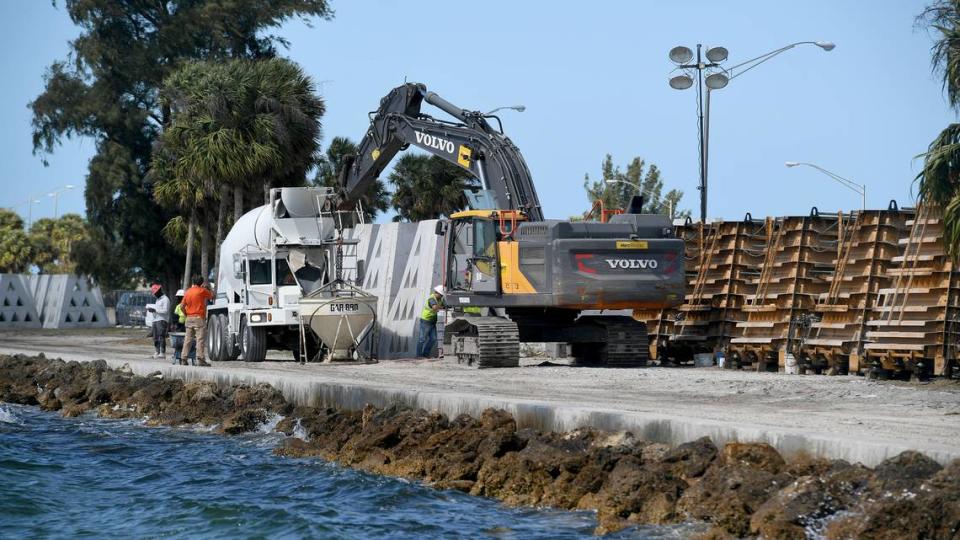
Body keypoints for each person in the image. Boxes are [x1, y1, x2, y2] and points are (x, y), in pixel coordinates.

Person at [181, 275, 214, 367]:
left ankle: (184, 358)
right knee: (200, 339)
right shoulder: (202, 291)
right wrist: (209, 288)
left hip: (189, 318)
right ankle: (200, 359)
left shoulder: (188, 292)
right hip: (199, 318)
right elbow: (212, 296)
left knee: (188, 339)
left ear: (193, 282)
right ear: (201, 282)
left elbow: (182, 306)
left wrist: (186, 314)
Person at [416, 285, 445, 358]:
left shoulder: (440, 299)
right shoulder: (431, 299)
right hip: (426, 321)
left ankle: (425, 354)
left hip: (432, 322)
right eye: (441, 295)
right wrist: (442, 307)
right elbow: (435, 307)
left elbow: (445, 306)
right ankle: (418, 355)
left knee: (433, 339)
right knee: (422, 339)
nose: (441, 296)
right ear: (437, 293)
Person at [170, 289, 196, 366]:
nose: (179, 299)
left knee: (186, 342)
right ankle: (182, 358)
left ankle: (184, 358)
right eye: (178, 297)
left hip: (187, 326)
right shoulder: (178, 306)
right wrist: (175, 324)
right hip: (180, 326)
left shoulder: (187, 306)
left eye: (180, 297)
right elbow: (175, 316)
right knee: (183, 342)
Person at [146, 284, 170, 360]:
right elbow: (157, 310)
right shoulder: (158, 300)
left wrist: (155, 310)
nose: (155, 295)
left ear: (159, 291)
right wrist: (152, 311)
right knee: (155, 337)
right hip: (156, 320)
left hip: (162, 320)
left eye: (156, 293)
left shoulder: (165, 299)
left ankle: (162, 353)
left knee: (161, 336)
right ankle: (157, 352)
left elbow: (165, 311)